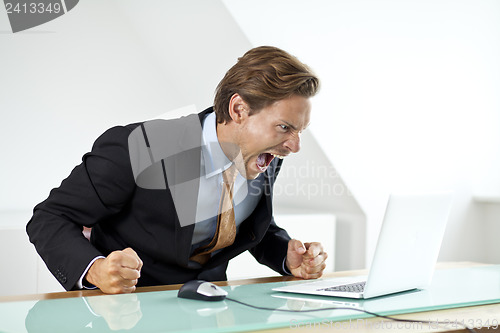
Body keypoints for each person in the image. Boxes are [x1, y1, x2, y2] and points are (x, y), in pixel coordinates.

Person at [27, 46, 328, 294]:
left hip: (211, 311)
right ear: (239, 110)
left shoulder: (266, 156)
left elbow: (248, 222)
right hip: (125, 312)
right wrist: (95, 269)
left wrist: (285, 256)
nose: (295, 146)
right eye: (285, 127)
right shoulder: (142, 146)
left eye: (300, 131)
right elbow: (49, 218)